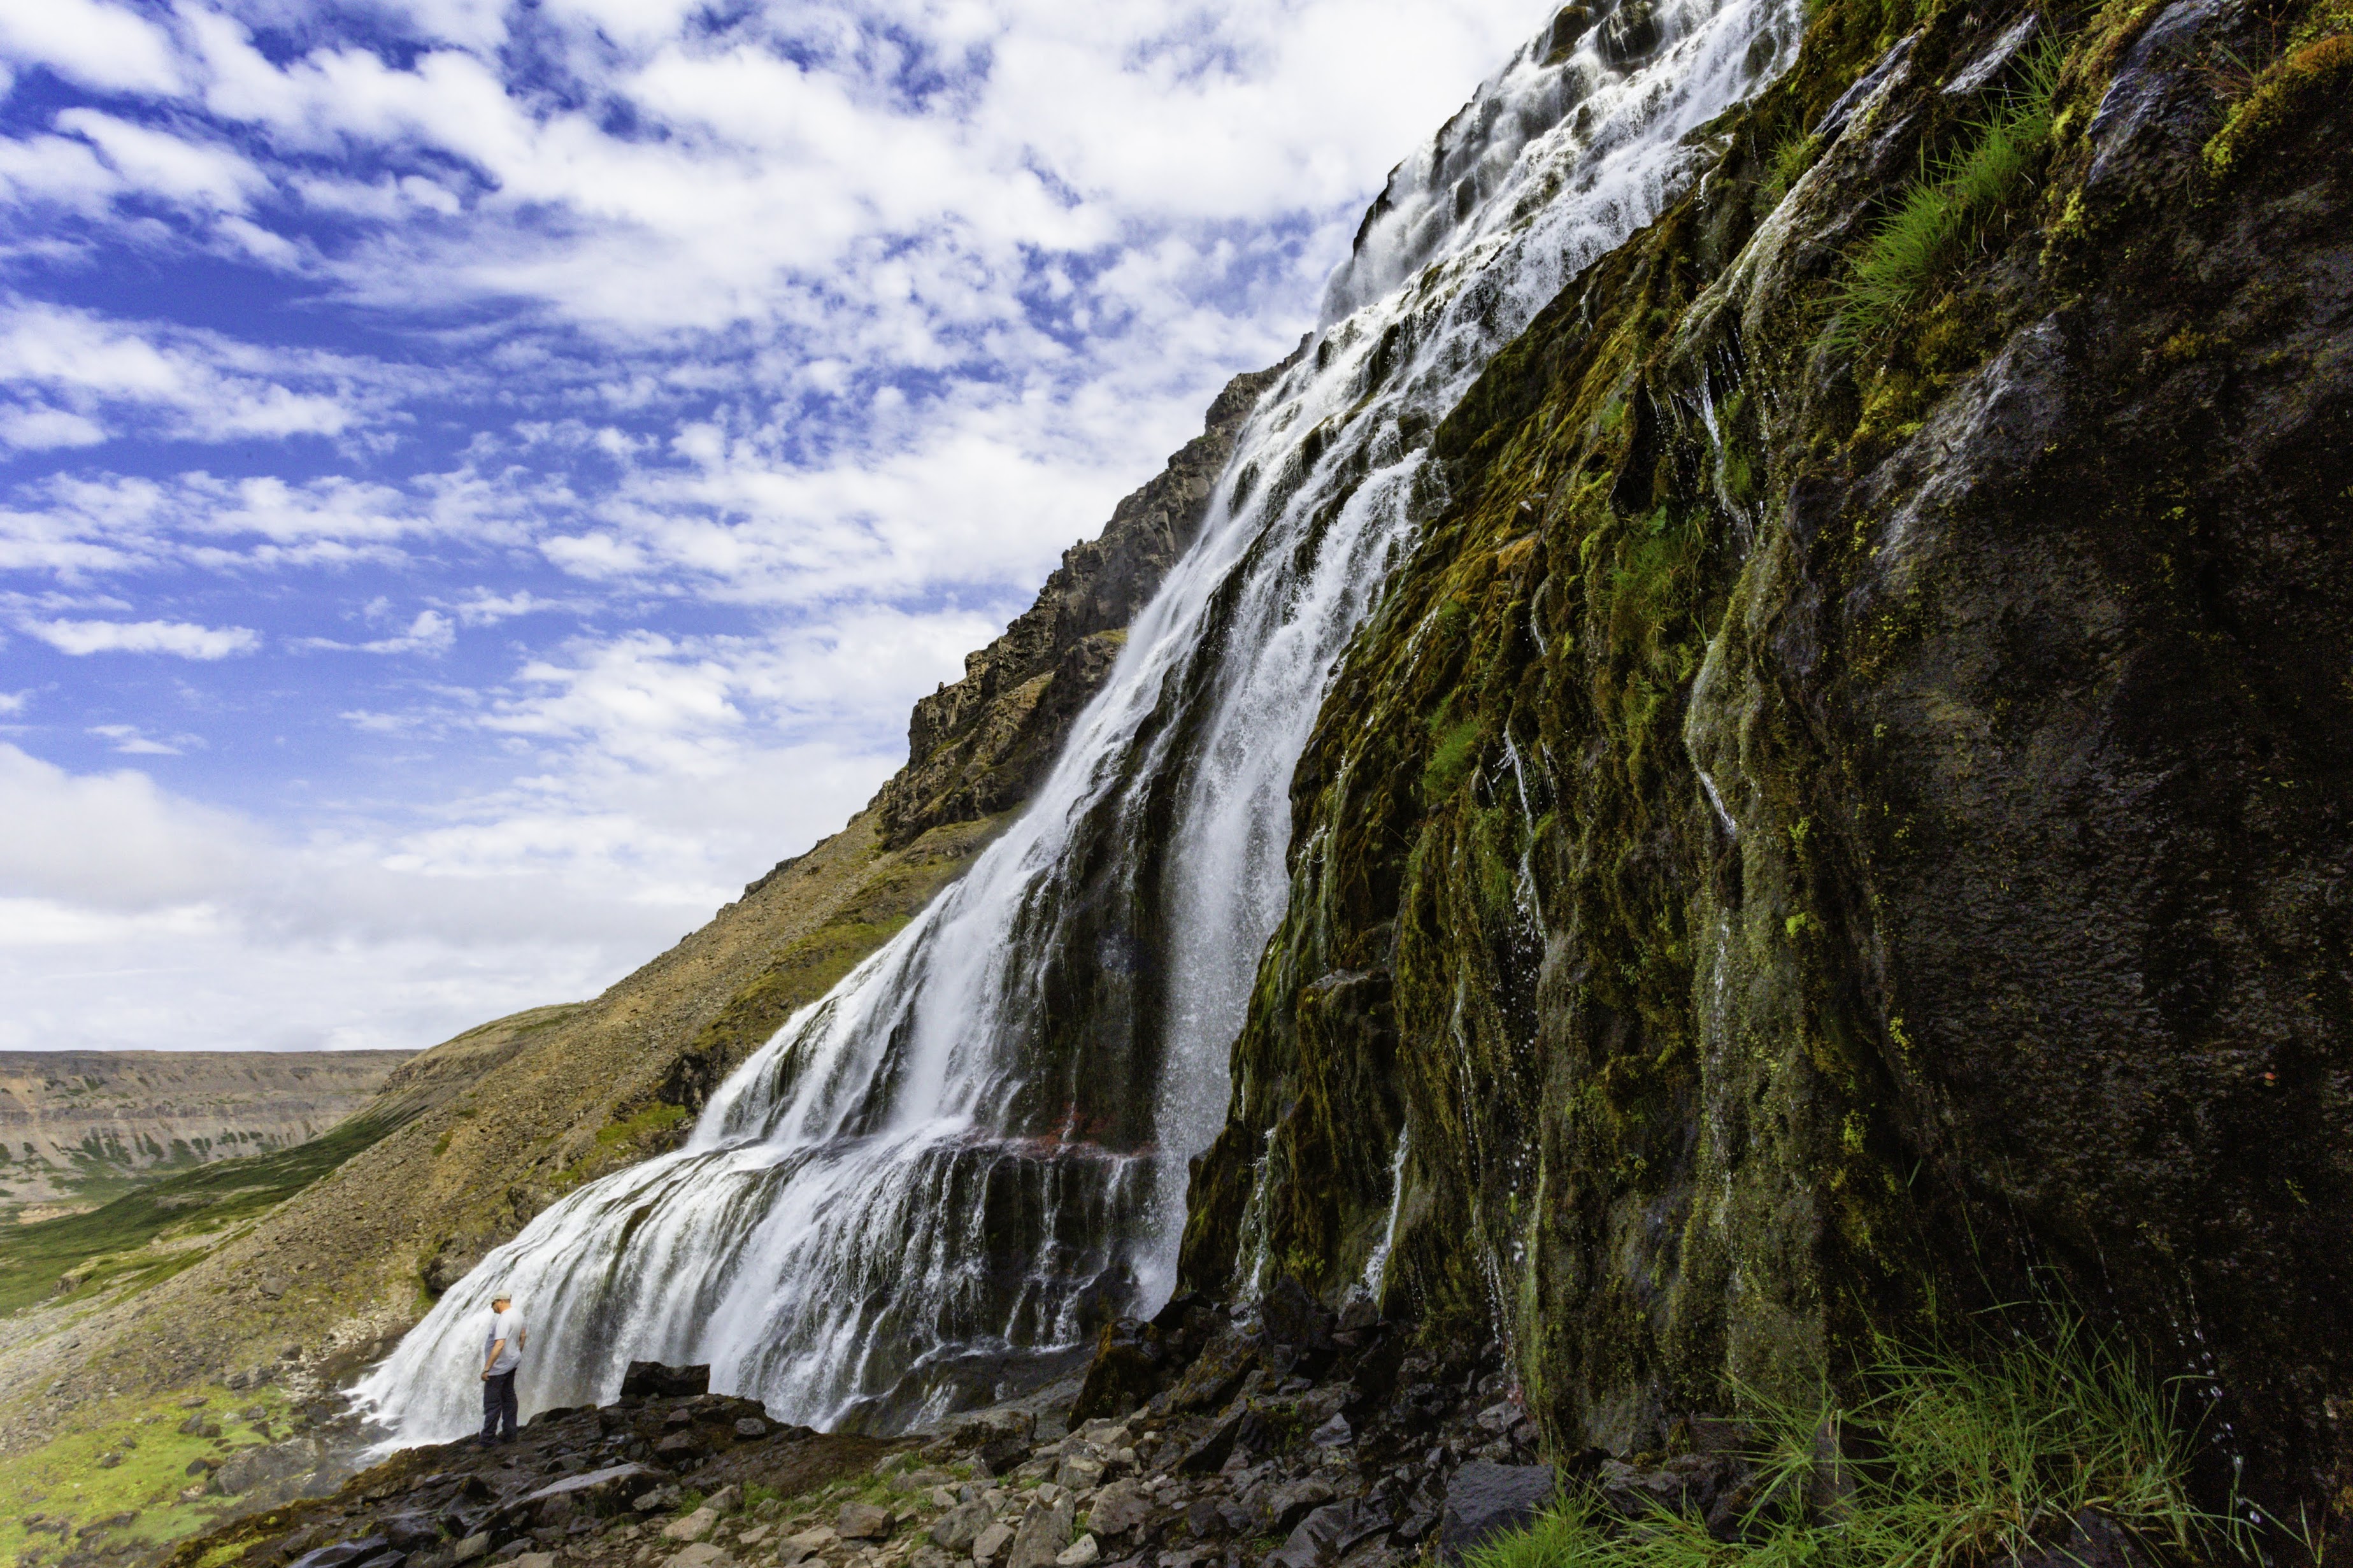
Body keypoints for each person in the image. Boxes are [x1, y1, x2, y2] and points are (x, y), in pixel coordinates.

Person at [478, 1292, 526, 1447]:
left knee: (492, 1403)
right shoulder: (519, 1315)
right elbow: (523, 1336)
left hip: (498, 1368)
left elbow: (499, 1344)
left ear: (499, 1302)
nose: (492, 1308)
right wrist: (517, 1353)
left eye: (492, 1304)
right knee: (509, 1397)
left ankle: (488, 1439)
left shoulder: (504, 1319)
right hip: (511, 1363)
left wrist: (487, 1369)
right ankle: (511, 1434)